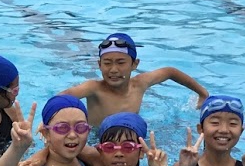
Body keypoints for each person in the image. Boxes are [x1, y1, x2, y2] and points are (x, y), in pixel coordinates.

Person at [59, 32, 208, 130]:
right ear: (99, 65)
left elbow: (169, 72)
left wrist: (202, 93)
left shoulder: (140, 84)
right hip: (97, 138)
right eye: (107, 63)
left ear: (134, 64)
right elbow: (62, 97)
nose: (113, 69)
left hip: (130, 135)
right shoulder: (94, 88)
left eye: (120, 62)